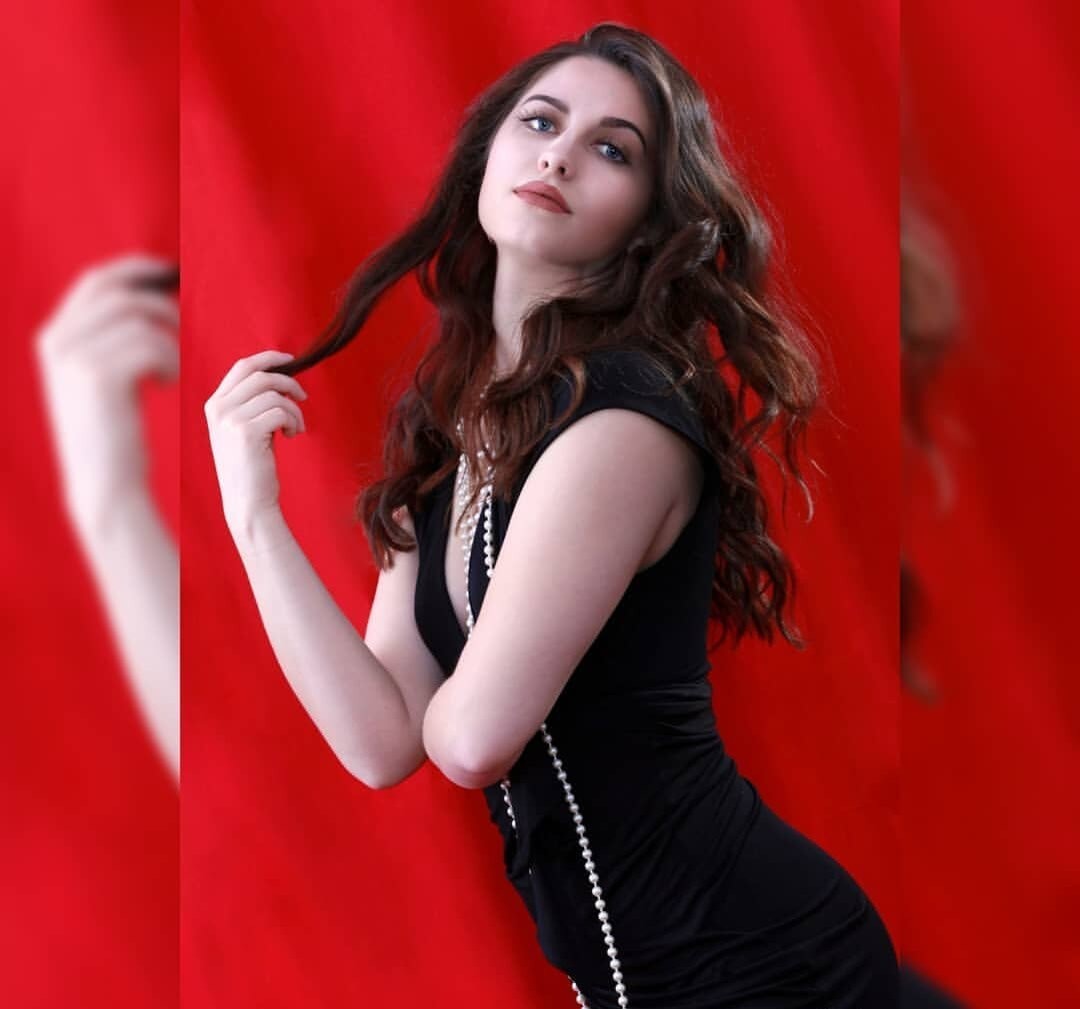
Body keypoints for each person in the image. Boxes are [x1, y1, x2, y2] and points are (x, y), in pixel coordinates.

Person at [205, 22, 898, 1008]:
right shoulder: (453, 428)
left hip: (764, 963)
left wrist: (458, 690)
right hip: (640, 976)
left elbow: (469, 740)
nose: (560, 155)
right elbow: (381, 739)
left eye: (612, 149)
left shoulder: (621, 423)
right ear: (484, 157)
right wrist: (253, 516)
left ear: (647, 224)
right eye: (540, 122)